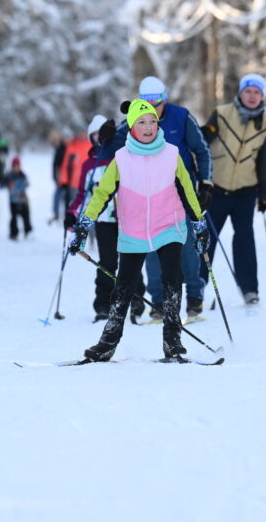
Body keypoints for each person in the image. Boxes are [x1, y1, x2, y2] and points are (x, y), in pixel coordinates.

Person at [69, 99, 209, 362]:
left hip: (168, 225)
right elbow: (101, 195)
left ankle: (173, 341)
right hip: (133, 230)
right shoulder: (121, 159)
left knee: (172, 277)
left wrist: (199, 223)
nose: (148, 127)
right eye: (141, 122)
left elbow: (188, 190)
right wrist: (84, 226)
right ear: (132, 127)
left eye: (153, 121)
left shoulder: (171, 154)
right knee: (124, 285)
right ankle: (108, 342)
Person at [104, 76, 213, 319]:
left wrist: (206, 183)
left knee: (187, 246)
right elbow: (110, 149)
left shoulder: (181, 117)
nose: (153, 110)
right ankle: (159, 302)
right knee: (152, 249)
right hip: (148, 196)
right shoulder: (135, 118)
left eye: (158, 103)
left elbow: (202, 150)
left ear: (165, 100)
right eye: (148, 103)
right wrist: (106, 137)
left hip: (181, 191)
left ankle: (194, 297)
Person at [200, 72, 266, 305]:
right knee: (206, 240)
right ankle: (197, 287)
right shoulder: (222, 114)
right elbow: (201, 144)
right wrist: (207, 132)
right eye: (248, 91)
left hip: (245, 190)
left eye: (257, 92)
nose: (252, 96)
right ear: (240, 93)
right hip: (217, 189)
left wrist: (263, 194)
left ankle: (249, 289)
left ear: (262, 96)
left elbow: (263, 161)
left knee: (245, 240)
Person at [66, 114, 145, 322]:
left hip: (127, 218)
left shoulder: (123, 156)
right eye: (94, 135)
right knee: (107, 263)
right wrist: (72, 214)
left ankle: (136, 299)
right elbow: (83, 194)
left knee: (131, 260)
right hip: (104, 221)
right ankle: (103, 305)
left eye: (102, 134)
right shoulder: (89, 164)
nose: (99, 138)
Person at [59, 129, 91, 213]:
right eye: (79, 132)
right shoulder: (72, 145)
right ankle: (74, 219)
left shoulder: (91, 145)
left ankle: (84, 220)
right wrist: (64, 180)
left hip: (89, 181)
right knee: (75, 206)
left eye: (83, 132)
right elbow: (65, 164)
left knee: (88, 207)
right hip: (75, 183)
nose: (81, 134)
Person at [4, 156, 32, 240]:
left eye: (18, 166)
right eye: (14, 166)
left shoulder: (23, 175)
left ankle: (28, 232)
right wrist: (8, 184)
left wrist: (24, 185)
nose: (16, 168)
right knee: (14, 218)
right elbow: (4, 184)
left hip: (23, 200)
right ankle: (13, 233)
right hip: (13, 201)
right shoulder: (9, 176)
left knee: (26, 216)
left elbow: (27, 184)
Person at [49, 132, 68, 224]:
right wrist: (56, 177)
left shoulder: (70, 148)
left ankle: (66, 214)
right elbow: (55, 164)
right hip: (60, 177)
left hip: (69, 178)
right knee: (58, 196)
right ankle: (56, 214)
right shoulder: (59, 149)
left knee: (66, 197)